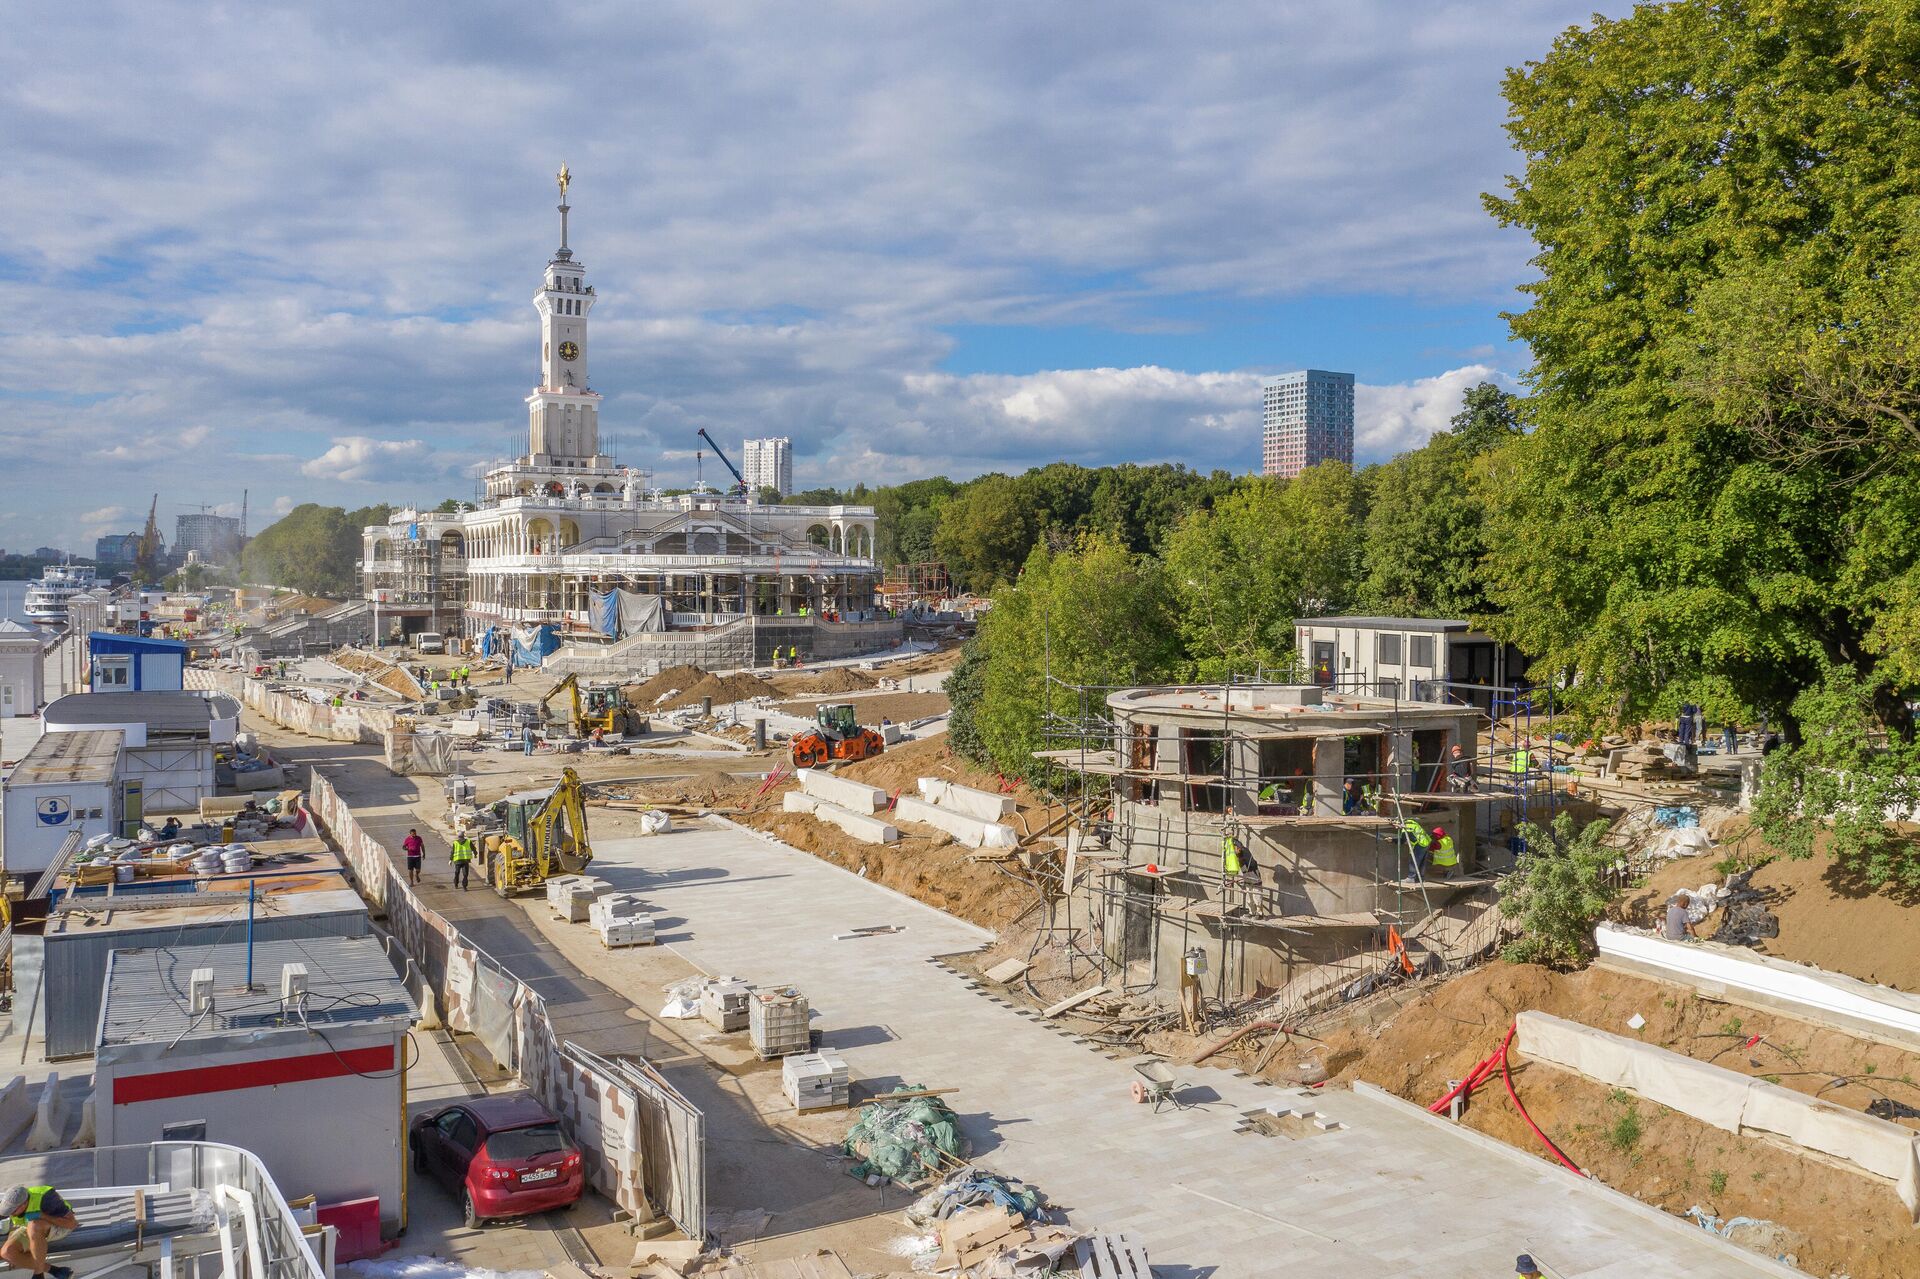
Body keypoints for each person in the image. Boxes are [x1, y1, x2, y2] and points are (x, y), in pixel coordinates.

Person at [0, 1183, 79, 1279]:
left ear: (24, 1204)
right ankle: (55, 1270)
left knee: (34, 1226)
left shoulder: (47, 1198)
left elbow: (72, 1223)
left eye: (13, 1211)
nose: (11, 1214)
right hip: (29, 1227)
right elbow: (16, 1225)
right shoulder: (12, 1205)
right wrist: (11, 1244)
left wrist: (42, 1215)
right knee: (7, 1252)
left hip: (59, 1225)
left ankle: (38, 1274)